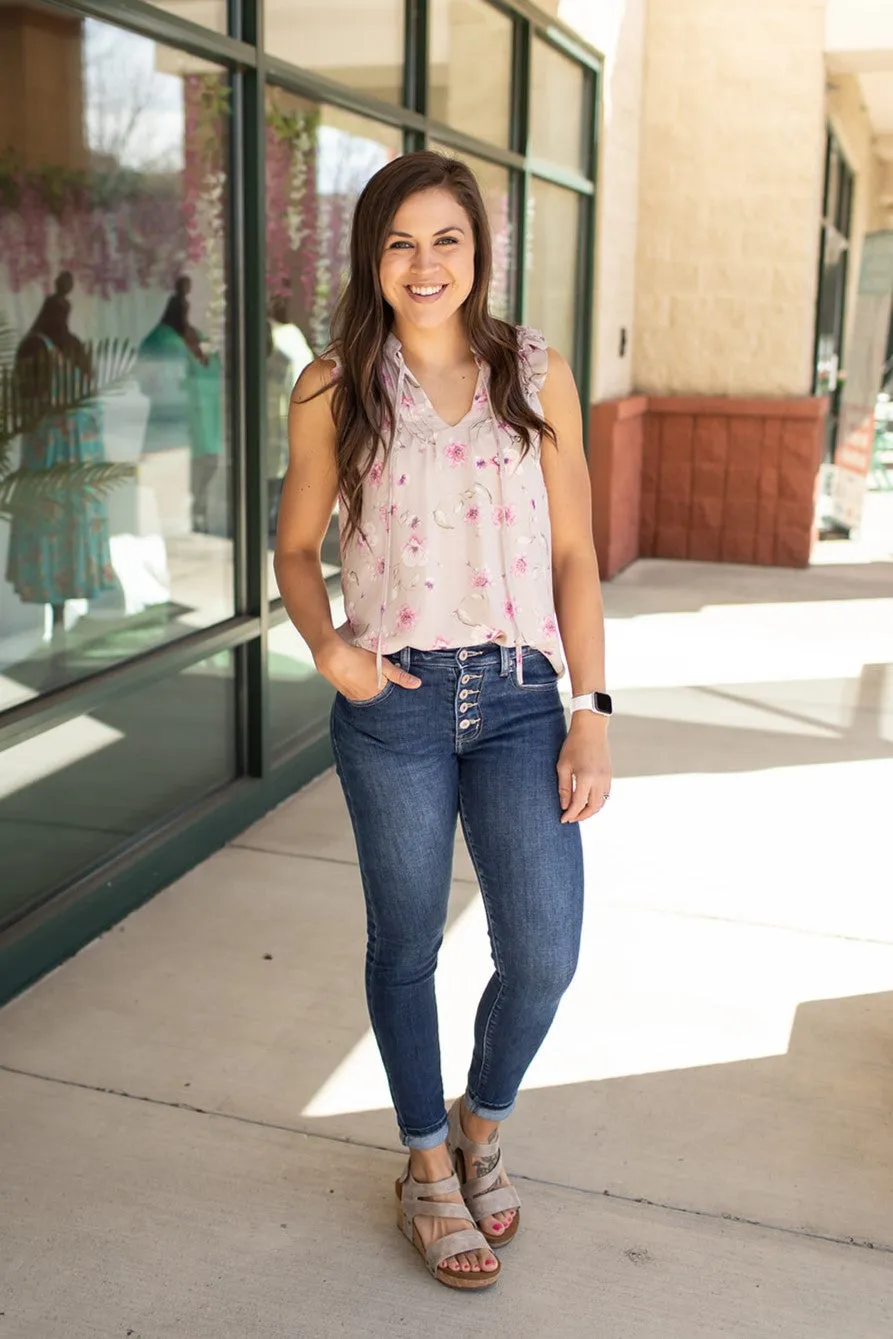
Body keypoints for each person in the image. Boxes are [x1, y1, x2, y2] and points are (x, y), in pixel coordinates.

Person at [274, 151, 612, 1291]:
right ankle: (425, 1162)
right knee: (405, 943)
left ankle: (479, 1118)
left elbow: (572, 552)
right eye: (401, 243)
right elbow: (294, 546)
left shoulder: (534, 373)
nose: (427, 265)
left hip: (521, 697)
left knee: (543, 950)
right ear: (373, 257)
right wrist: (333, 651)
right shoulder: (333, 385)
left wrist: (588, 709)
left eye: (447, 240)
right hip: (396, 701)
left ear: (479, 251)